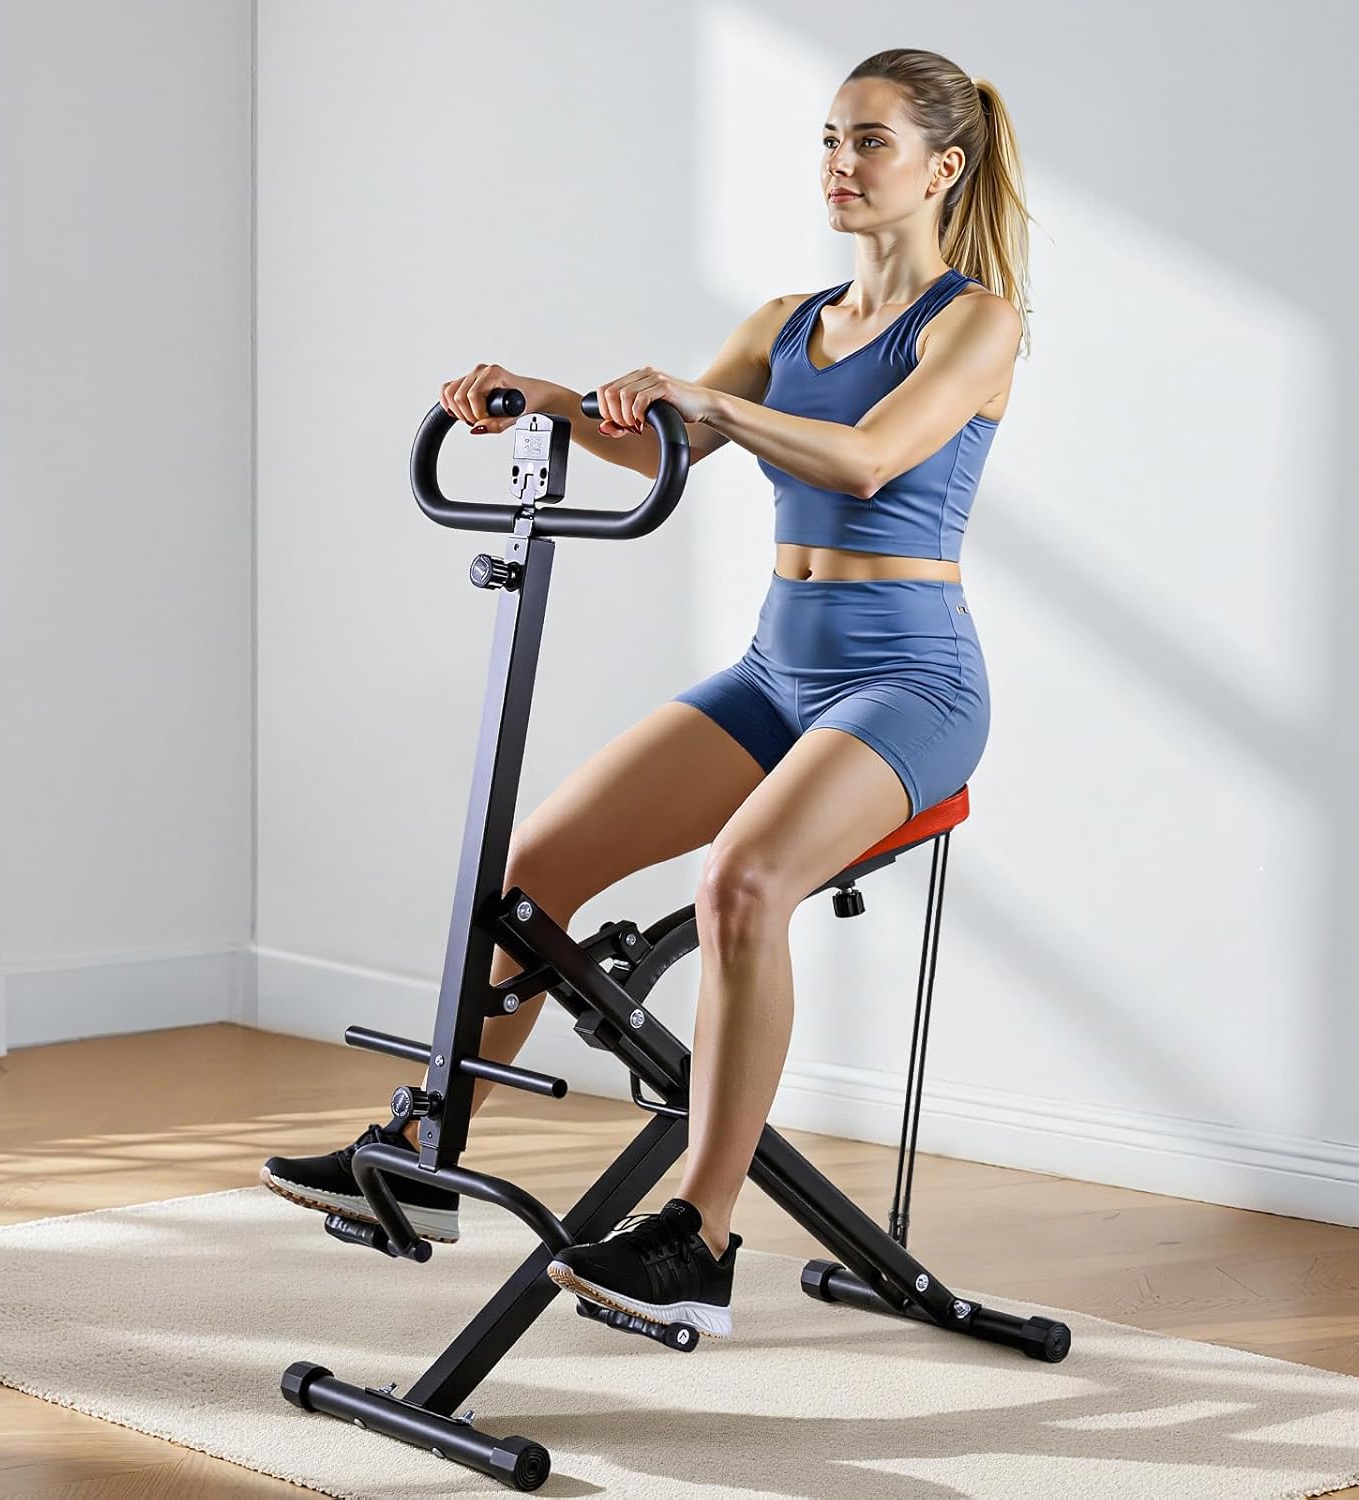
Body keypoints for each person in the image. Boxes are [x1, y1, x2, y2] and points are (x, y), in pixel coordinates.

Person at [262, 46, 1032, 1343]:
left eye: (872, 142)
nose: (840, 164)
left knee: (743, 884)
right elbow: (668, 443)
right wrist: (553, 401)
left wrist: (699, 398)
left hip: (911, 681)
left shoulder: (975, 322)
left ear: (942, 167)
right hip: (778, 670)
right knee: (532, 869)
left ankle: (701, 1237)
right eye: (830, 139)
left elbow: (864, 460)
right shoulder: (785, 323)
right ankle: (427, 1160)